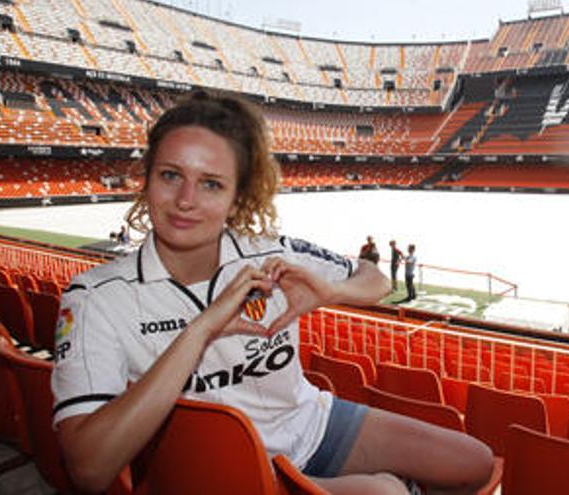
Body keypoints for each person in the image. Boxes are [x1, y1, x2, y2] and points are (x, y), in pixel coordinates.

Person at [51, 92, 493, 495]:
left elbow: (374, 278)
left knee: (474, 464)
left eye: (211, 184)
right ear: (145, 180)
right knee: (385, 494)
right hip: (217, 470)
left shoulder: (270, 254)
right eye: (171, 175)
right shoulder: (96, 298)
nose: (186, 199)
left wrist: (331, 291)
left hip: (309, 422)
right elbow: (89, 469)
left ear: (237, 197)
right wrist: (201, 330)